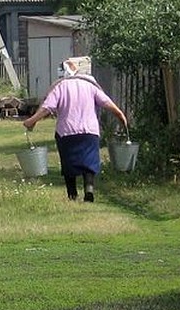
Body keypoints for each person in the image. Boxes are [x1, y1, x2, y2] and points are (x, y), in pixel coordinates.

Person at [22, 57, 128, 202]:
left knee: (68, 164)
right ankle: (89, 189)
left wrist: (31, 121)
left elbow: (48, 107)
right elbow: (106, 102)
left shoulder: (60, 86)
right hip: (89, 132)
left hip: (66, 132)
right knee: (89, 162)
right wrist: (120, 114)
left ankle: (72, 195)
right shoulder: (91, 86)